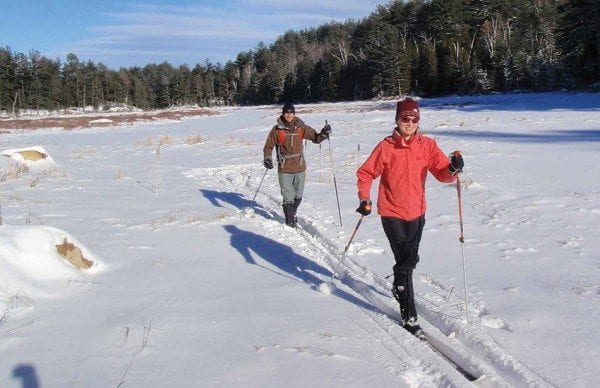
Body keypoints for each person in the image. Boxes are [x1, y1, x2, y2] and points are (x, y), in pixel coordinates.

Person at [355, 97, 464, 336]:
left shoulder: (427, 146)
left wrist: (453, 168)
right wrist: (365, 198)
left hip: (417, 212)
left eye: (414, 119)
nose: (410, 123)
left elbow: (442, 173)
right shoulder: (385, 147)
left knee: (409, 261)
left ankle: (399, 285)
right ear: (397, 119)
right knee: (406, 260)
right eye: (405, 118)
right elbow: (365, 173)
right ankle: (409, 316)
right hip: (391, 212)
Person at [263, 103, 331, 227]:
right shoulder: (276, 129)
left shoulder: (301, 127)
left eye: (291, 113)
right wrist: (267, 158)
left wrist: (324, 133)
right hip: (284, 167)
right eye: (286, 113)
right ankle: (290, 222)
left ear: (294, 113)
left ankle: (292, 212)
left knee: (298, 195)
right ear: (283, 114)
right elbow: (268, 146)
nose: (288, 115)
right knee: (288, 195)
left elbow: (316, 138)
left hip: (300, 166)